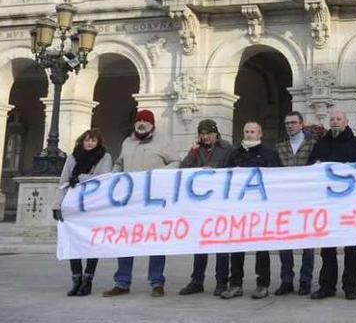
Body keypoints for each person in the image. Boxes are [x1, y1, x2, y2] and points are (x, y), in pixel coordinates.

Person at [102, 109, 180, 298]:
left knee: (156, 242)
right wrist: (114, 174)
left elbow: (176, 162)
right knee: (126, 240)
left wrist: (157, 175)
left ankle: (157, 282)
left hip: (154, 202)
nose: (142, 123)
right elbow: (119, 163)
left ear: (152, 124)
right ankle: (122, 282)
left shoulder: (164, 142)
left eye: (146, 121)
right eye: (139, 121)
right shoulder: (127, 142)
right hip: (130, 202)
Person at [307, 109, 356, 300]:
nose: (335, 122)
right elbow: (310, 169)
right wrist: (315, 165)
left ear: (346, 122)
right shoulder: (321, 144)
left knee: (351, 249)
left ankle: (350, 287)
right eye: (332, 119)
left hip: (350, 206)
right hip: (328, 206)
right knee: (327, 249)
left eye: (338, 119)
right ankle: (327, 286)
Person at [221, 121, 282, 300]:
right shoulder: (234, 154)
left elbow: (278, 179)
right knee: (237, 249)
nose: (249, 134)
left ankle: (262, 285)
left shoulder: (269, 155)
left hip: (261, 210)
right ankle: (235, 285)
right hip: (239, 210)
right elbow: (225, 176)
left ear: (260, 133)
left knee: (261, 249)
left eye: (252, 131)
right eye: (246, 131)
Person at [52, 129, 113, 297]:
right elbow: (63, 182)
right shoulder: (73, 157)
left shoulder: (104, 157)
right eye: (87, 140)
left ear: (98, 143)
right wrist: (57, 205)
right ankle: (76, 280)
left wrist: (80, 178)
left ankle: (88, 280)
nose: (90, 143)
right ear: (82, 141)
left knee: (92, 244)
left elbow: (104, 177)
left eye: (93, 140)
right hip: (74, 206)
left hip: (94, 206)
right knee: (74, 243)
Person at [178, 119, 233, 297]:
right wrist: (193, 151)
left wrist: (213, 171)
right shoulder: (197, 150)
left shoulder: (227, 148)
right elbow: (184, 168)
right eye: (202, 134)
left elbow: (233, 170)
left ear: (216, 133)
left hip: (221, 202)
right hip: (201, 203)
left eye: (208, 133)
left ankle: (221, 281)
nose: (205, 137)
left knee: (220, 245)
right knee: (200, 244)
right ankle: (197, 281)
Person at [273, 111, 318, 297]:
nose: (289, 126)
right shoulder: (279, 147)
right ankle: (286, 280)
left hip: (307, 200)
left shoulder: (313, 145)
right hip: (285, 201)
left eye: (293, 122)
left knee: (307, 243)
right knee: (285, 241)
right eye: (287, 123)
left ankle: (305, 280)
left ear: (301, 124)